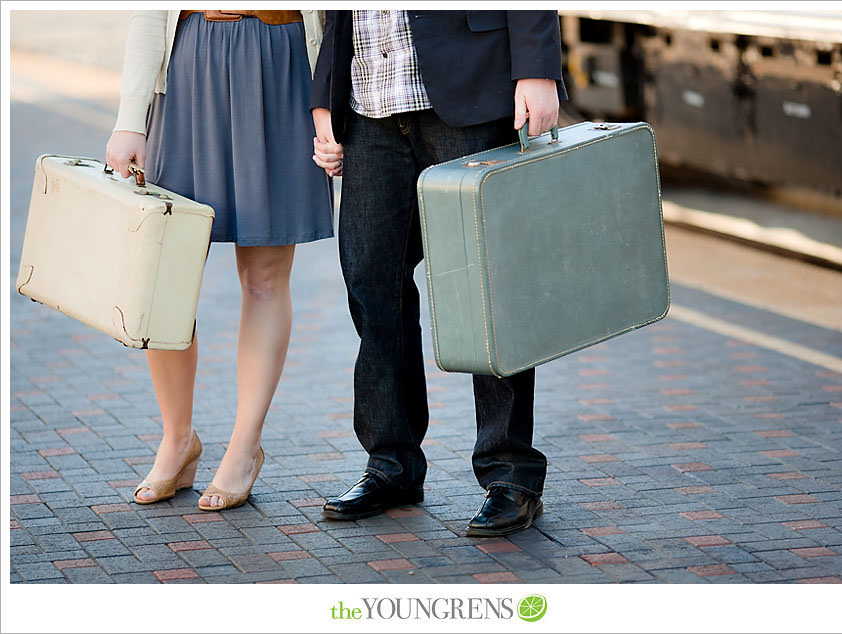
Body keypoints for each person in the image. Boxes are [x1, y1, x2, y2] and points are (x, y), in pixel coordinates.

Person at [310, 10, 565, 536]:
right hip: (369, 105)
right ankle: (392, 463)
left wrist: (537, 68)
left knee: (487, 288)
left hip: (469, 89)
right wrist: (324, 99)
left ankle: (511, 473)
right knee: (370, 284)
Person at [105, 10, 333, 511]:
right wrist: (129, 119)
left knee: (265, 278)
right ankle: (177, 439)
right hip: (189, 69)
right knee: (165, 276)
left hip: (281, 65)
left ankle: (244, 446)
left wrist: (331, 107)